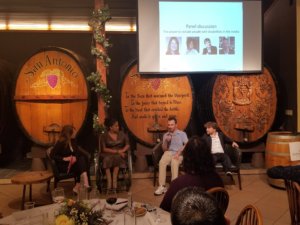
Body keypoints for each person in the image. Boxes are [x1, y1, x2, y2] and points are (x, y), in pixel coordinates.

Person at [160, 136, 224, 212]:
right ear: (208, 155)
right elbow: (221, 206)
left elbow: (163, 211)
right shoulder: (217, 179)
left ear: (186, 157)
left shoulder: (177, 184)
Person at [50, 125, 90, 194]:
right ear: (69, 134)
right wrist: (64, 158)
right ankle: (84, 183)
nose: (75, 134)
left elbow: (77, 152)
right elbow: (52, 155)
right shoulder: (60, 143)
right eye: (74, 133)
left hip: (72, 164)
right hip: (63, 166)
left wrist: (75, 158)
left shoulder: (73, 141)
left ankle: (78, 186)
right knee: (81, 162)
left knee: (82, 159)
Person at [154, 116, 188, 196]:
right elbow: (164, 149)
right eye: (169, 125)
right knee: (162, 162)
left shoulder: (182, 133)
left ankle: (174, 187)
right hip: (168, 152)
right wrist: (165, 141)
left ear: (176, 124)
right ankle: (162, 186)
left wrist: (178, 153)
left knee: (174, 162)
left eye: (172, 124)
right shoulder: (166, 135)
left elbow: (187, 144)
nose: (170, 126)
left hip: (178, 153)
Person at [100, 118, 130, 191]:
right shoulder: (104, 136)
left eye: (118, 125)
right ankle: (109, 182)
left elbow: (127, 145)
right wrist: (118, 152)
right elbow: (104, 149)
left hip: (120, 154)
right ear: (110, 127)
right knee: (107, 159)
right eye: (116, 126)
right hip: (108, 153)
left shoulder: (122, 134)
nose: (118, 127)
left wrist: (122, 150)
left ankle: (114, 182)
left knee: (118, 158)